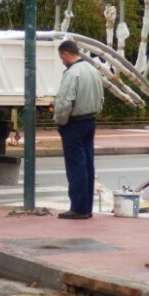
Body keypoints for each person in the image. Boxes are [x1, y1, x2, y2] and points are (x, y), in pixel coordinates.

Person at [53, 39, 105, 219]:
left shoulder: (72, 73)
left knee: (76, 166)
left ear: (67, 54)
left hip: (74, 123)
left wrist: (60, 121)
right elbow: (101, 99)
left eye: (62, 57)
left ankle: (78, 208)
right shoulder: (93, 70)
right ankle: (87, 207)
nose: (62, 61)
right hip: (90, 121)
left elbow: (65, 101)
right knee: (88, 164)